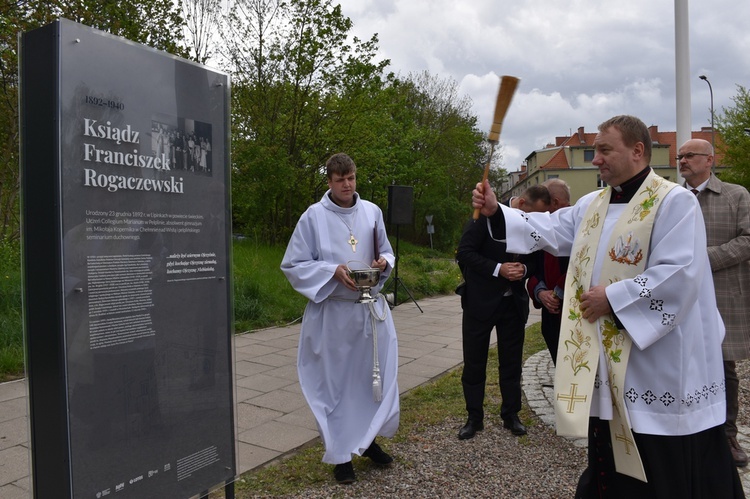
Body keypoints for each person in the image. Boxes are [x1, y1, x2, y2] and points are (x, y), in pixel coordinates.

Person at [472, 115, 743, 497]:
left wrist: (613, 298)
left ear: (637, 151)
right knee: (609, 454)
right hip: (608, 352)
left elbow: (680, 273)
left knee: (659, 458)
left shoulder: (673, 201)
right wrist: (497, 210)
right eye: (594, 150)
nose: (596, 159)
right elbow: (552, 229)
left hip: (658, 360)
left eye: (604, 150)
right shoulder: (593, 204)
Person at [281, 153, 399, 484]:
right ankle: (341, 456)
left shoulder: (372, 211)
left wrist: (382, 264)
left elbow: (387, 251)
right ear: (329, 181)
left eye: (351, 178)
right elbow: (294, 264)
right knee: (333, 387)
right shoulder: (313, 217)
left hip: (368, 313)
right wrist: (332, 270)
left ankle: (369, 441)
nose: (347, 185)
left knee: (368, 383)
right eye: (339, 180)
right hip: (332, 314)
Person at [455, 185, 547, 440]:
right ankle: (474, 418)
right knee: (474, 362)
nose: (535, 221)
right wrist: (498, 269)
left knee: (511, 362)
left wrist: (524, 270)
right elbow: (464, 253)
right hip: (480, 302)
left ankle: (511, 414)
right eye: (533, 214)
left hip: (513, 303)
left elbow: (536, 260)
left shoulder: (534, 222)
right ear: (521, 204)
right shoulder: (484, 216)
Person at [679, 138, 750, 468]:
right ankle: (687, 431)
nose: (683, 161)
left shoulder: (736, 195)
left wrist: (703, 260)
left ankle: (727, 435)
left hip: (722, 293)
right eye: (680, 156)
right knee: (681, 362)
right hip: (679, 296)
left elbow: (748, 240)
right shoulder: (672, 199)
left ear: (710, 160)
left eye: (690, 155)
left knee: (723, 366)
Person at [526, 179, 571, 364]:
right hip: (550, 315)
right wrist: (540, 292)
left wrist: (558, 292)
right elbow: (533, 266)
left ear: (555, 202)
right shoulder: (542, 228)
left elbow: (584, 264)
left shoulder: (580, 224)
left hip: (573, 310)